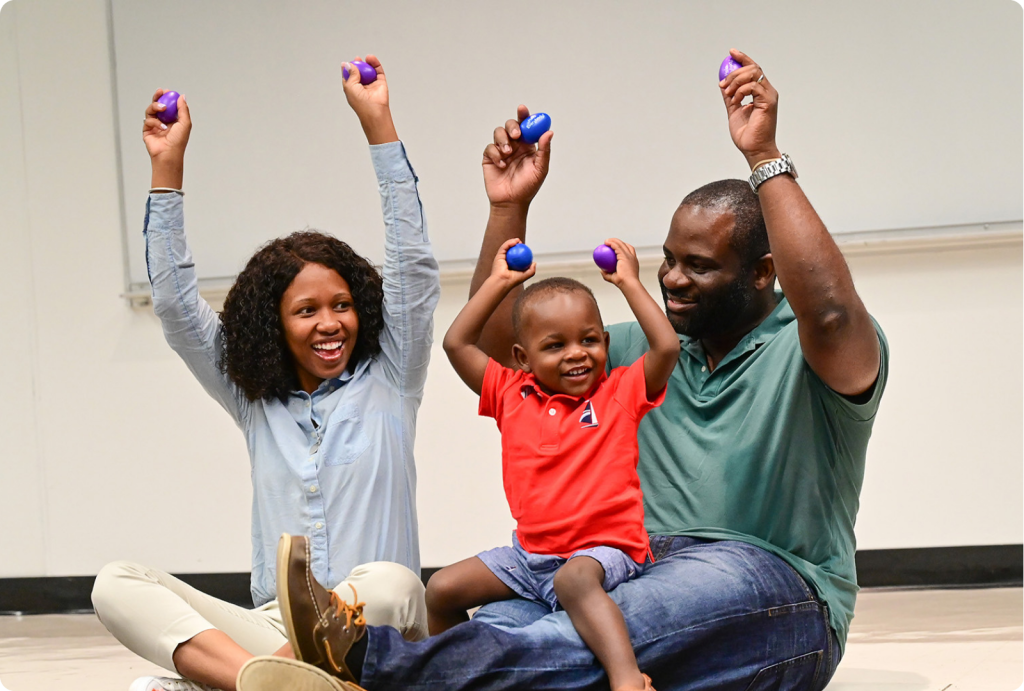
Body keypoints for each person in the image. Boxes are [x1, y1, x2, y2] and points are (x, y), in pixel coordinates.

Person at [238, 49, 888, 691]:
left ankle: (362, 664)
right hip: (626, 565)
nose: (672, 279)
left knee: (586, 631)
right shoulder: (630, 351)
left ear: (762, 273)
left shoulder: (811, 352)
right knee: (509, 622)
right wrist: (508, 208)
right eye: (668, 259)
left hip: (774, 589)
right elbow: (505, 350)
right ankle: (382, 672)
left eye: (699, 266)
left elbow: (829, 310)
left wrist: (763, 156)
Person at [90, 55, 440, 691]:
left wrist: (379, 126)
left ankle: (265, 681)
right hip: (277, 623)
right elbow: (173, 303)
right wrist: (167, 167)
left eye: (341, 306)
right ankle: (280, 680)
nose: (329, 323)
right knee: (116, 583)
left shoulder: (393, 375)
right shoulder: (253, 398)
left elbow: (412, 266)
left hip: (381, 627)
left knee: (388, 580)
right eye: (306, 311)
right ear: (274, 326)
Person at [426, 234, 680, 691]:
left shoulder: (618, 393)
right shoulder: (509, 393)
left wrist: (629, 284)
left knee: (574, 581)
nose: (576, 353)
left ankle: (627, 680)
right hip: (529, 557)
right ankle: (447, 676)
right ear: (523, 358)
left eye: (588, 340)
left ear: (604, 342)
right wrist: (499, 283)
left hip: (606, 549)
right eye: (555, 346)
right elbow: (455, 343)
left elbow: (666, 348)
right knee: (441, 588)